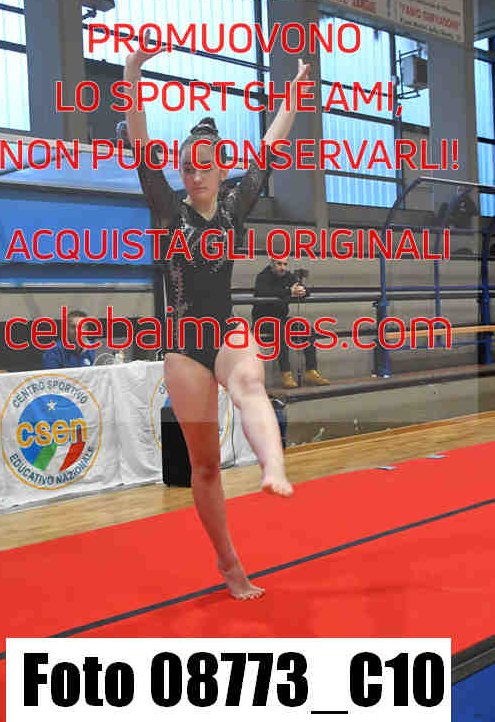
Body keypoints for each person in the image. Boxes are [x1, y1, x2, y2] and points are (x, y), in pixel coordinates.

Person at [124, 39, 310, 600]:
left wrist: (294, 93)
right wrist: (132, 71)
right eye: (186, 167)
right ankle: (228, 562)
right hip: (184, 344)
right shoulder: (167, 209)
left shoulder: (234, 206)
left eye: (204, 166)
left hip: (226, 330)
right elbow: (140, 143)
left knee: (251, 380)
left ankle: (273, 467)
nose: (194, 175)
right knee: (203, 467)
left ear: (220, 167)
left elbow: (272, 144)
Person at [252, 257, 330, 389]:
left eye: (285, 264)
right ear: (271, 264)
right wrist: (289, 291)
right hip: (263, 320)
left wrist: (302, 291)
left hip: (281, 318)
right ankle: (286, 374)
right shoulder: (263, 276)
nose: (283, 267)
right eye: (279, 264)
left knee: (307, 328)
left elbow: (304, 289)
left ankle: (311, 371)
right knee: (281, 329)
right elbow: (263, 292)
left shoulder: (287, 276)